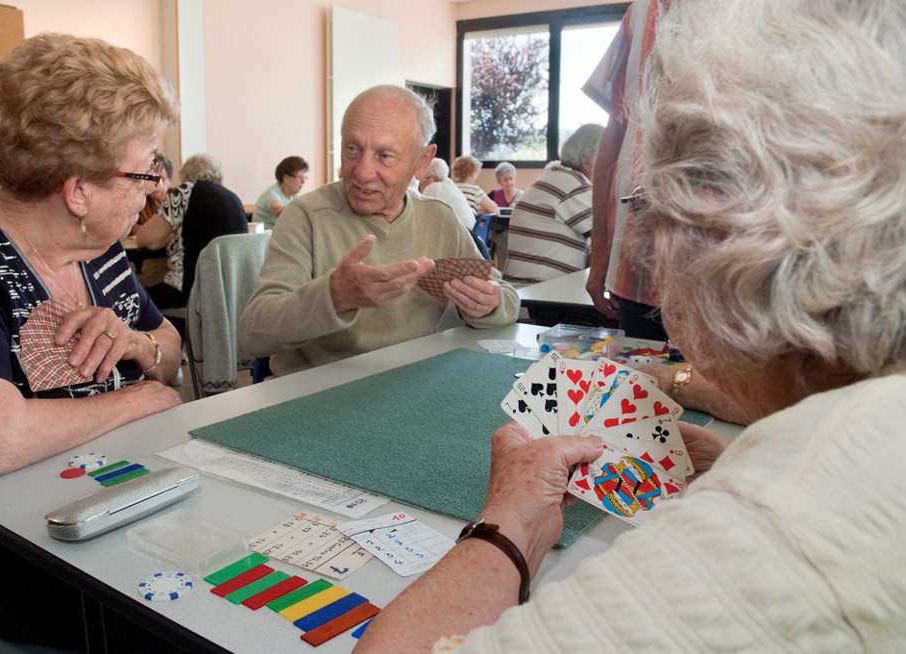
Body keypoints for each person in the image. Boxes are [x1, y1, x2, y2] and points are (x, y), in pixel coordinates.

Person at [356, 0, 906, 650]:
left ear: (708, 236)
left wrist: (506, 523)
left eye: (646, 207)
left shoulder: (764, 540)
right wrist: (744, 464)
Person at [0, 33, 182, 649]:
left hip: (113, 507)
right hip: (2, 551)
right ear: (78, 191)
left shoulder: (98, 250)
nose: (155, 188)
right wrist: (139, 399)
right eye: (145, 168)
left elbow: (169, 350)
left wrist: (139, 348)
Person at [239, 85, 520, 376]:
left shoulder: (439, 219)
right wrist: (334, 297)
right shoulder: (306, 216)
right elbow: (254, 332)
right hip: (317, 397)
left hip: (408, 387)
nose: (361, 172)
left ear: (422, 161)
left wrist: (489, 303)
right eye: (352, 149)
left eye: (385, 155)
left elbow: (508, 297)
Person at [582, 0, 668, 340]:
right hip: (638, 265)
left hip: (730, 266)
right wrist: (601, 253)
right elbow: (616, 131)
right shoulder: (642, 11)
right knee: (642, 386)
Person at [135, 153, 248, 312]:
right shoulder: (233, 198)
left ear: (186, 175)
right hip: (229, 293)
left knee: (129, 297)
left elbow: (144, 239)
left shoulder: (186, 191)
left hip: (190, 290)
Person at [503, 123, 604, 285]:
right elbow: (609, 237)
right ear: (587, 162)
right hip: (539, 294)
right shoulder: (572, 186)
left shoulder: (559, 178)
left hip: (530, 290)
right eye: (609, 160)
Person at [252, 155, 309, 229]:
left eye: (305, 178)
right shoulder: (272, 193)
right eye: (300, 177)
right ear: (286, 178)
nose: (303, 181)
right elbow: (277, 210)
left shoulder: (293, 195)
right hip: (265, 237)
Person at [419, 157, 476, 230]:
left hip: (457, 236)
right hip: (469, 235)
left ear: (435, 178)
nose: (420, 184)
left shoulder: (434, 188)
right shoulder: (450, 185)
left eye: (423, 179)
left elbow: (420, 216)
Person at [130, 151, 173, 235]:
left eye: (161, 178)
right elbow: (130, 227)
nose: (155, 183)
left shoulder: (176, 199)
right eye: (150, 178)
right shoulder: (139, 200)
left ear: (170, 180)